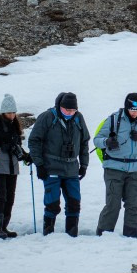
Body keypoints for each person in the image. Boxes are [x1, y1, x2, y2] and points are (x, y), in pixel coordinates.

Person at [28, 92, 90, 237]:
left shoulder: (78, 118)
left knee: (74, 203)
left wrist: (84, 165)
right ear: (60, 107)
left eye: (73, 110)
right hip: (51, 167)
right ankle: (48, 234)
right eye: (67, 110)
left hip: (71, 169)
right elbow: (34, 141)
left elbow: (84, 142)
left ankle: (72, 234)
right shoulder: (47, 117)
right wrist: (40, 165)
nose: (70, 113)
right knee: (52, 203)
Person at [94, 93, 137, 238]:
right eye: (134, 109)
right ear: (127, 107)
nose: (136, 112)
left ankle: (131, 237)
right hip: (114, 169)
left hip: (134, 171)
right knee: (113, 205)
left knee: (133, 206)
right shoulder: (114, 119)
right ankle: (103, 236)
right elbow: (97, 140)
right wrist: (107, 142)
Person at [0, 94, 31, 238]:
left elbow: (18, 146)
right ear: (3, 112)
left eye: (14, 112)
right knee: (1, 196)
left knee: (10, 197)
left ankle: (4, 226)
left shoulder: (15, 125)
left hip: (13, 166)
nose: (12, 115)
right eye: (9, 112)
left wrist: (26, 157)